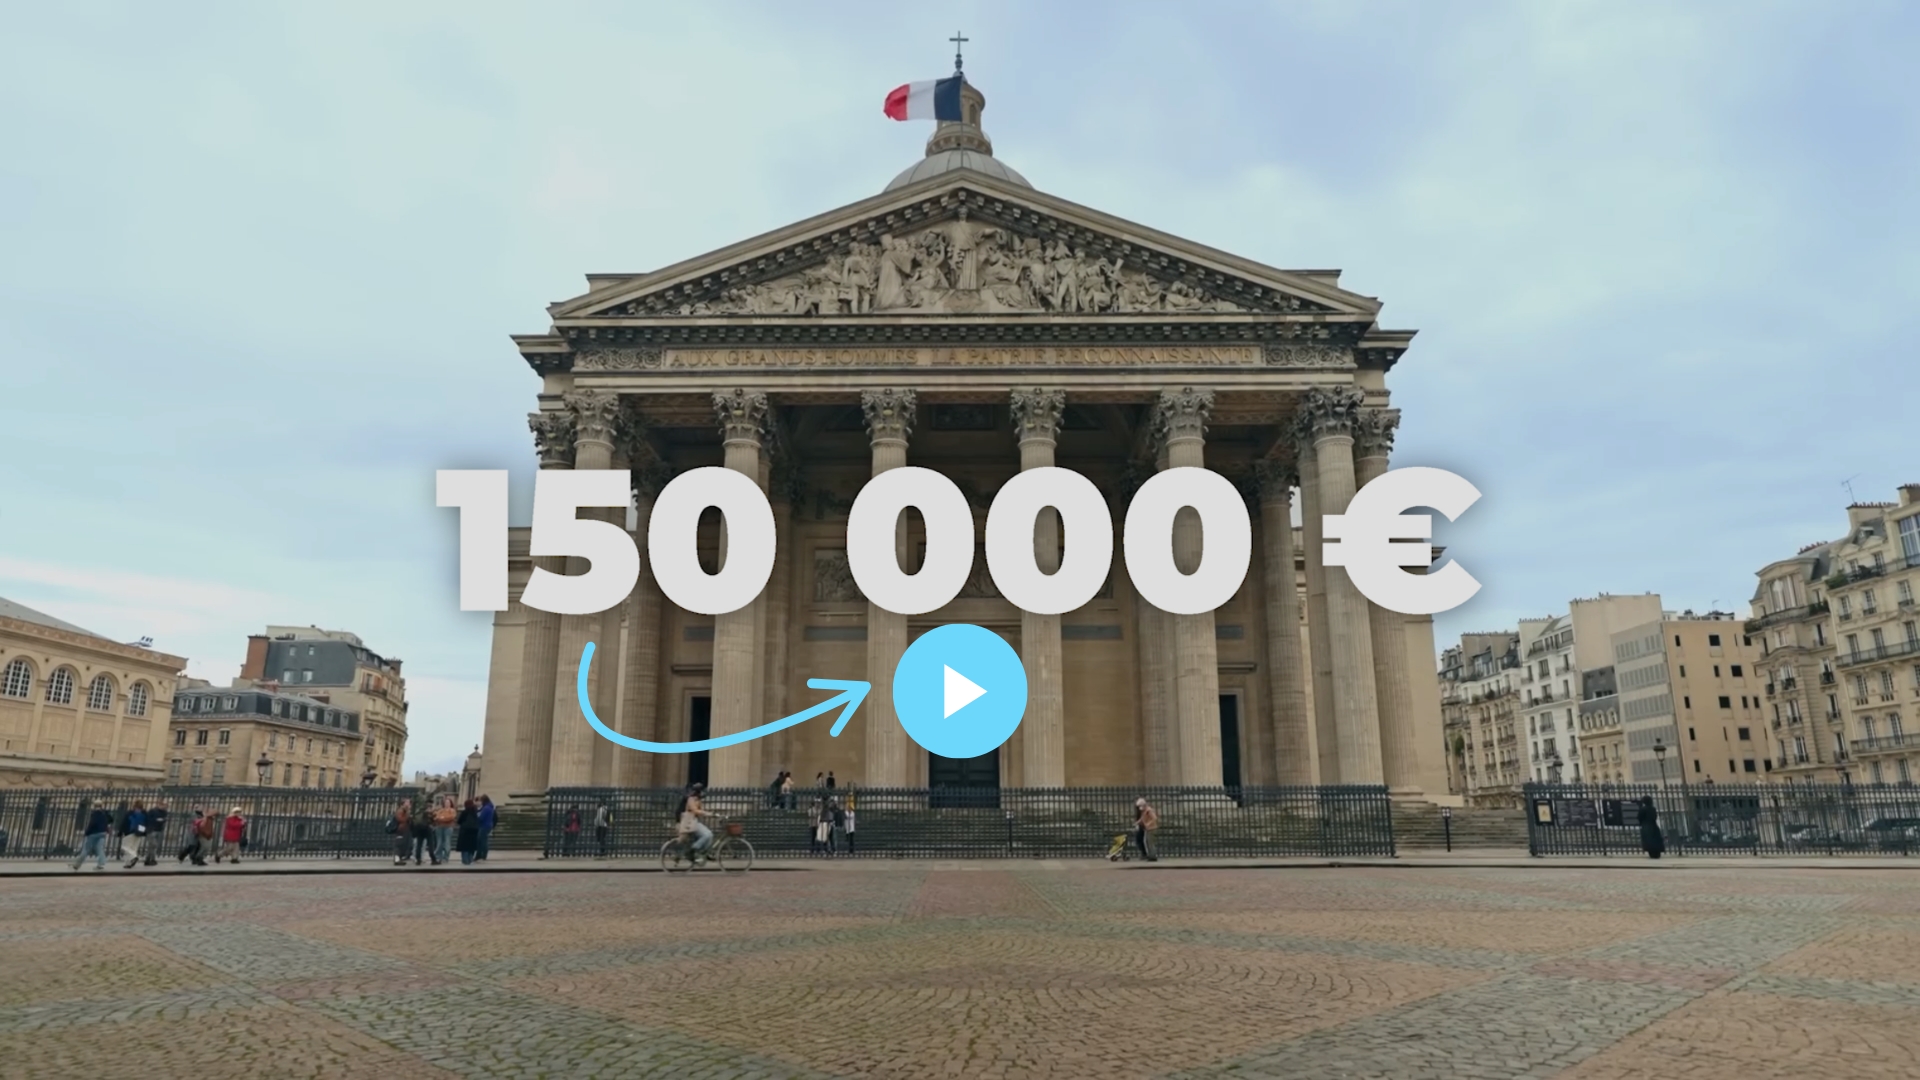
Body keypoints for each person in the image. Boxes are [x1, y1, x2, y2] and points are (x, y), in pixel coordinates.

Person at [677, 783, 713, 863]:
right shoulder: (691, 799)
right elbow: (695, 810)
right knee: (708, 834)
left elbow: (700, 810)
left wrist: (711, 815)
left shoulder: (698, 799)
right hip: (690, 823)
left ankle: (704, 853)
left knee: (709, 836)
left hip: (694, 822)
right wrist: (707, 813)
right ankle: (692, 849)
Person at [72, 801, 112, 871]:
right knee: (100, 849)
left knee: (86, 849)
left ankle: (77, 864)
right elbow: (111, 820)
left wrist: (87, 832)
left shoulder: (95, 813)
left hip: (93, 833)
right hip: (103, 833)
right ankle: (101, 864)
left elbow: (92, 824)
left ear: (94, 806)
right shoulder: (104, 813)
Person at [117, 801, 148, 869]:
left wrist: (120, 832)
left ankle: (133, 857)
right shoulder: (144, 814)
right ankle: (129, 863)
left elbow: (124, 823)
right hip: (139, 832)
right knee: (134, 848)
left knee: (125, 847)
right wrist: (144, 832)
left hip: (129, 832)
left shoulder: (130, 813)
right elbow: (146, 824)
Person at [431, 797, 457, 865]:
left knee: (447, 843)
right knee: (439, 842)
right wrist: (443, 818)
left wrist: (443, 818)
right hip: (439, 828)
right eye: (446, 802)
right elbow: (436, 818)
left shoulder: (452, 810)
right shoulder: (440, 810)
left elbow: (451, 817)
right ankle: (438, 856)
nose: (447, 804)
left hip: (448, 828)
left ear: (450, 803)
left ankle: (446, 857)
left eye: (448, 802)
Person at [1132, 797, 1159, 861]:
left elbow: (1154, 818)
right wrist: (1137, 823)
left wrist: (1148, 824)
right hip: (1148, 829)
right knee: (1147, 842)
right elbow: (1142, 819)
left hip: (1151, 828)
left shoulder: (1149, 810)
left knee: (1150, 842)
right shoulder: (1144, 811)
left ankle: (1153, 856)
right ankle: (1150, 855)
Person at [456, 799, 482, 866]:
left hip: (465, 831)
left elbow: (459, 821)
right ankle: (470, 859)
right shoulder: (475, 812)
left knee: (464, 847)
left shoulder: (464, 812)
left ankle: (465, 860)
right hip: (474, 831)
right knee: (471, 847)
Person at [1639, 796, 1665, 860]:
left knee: (1649, 840)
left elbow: (1639, 817)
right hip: (1653, 825)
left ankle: (1651, 852)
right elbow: (1655, 816)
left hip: (1646, 825)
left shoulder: (1643, 809)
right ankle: (1657, 852)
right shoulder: (1653, 808)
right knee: (1655, 839)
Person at [388, 801, 413, 866]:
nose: (409, 804)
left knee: (403, 845)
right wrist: (408, 816)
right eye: (407, 803)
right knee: (398, 845)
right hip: (400, 830)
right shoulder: (401, 810)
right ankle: (397, 859)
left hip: (405, 829)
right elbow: (400, 819)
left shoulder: (405, 811)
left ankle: (399, 858)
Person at [410, 800, 434, 865]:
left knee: (419, 844)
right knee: (430, 844)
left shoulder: (418, 810)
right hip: (427, 828)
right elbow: (431, 819)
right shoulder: (428, 811)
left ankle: (418, 859)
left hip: (419, 828)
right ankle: (433, 859)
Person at [476, 795, 496, 861]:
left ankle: (482, 855)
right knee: (483, 840)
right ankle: (481, 855)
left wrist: (477, 818)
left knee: (482, 841)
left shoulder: (486, 808)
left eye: (481, 801)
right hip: (488, 825)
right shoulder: (490, 807)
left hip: (484, 826)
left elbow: (481, 818)